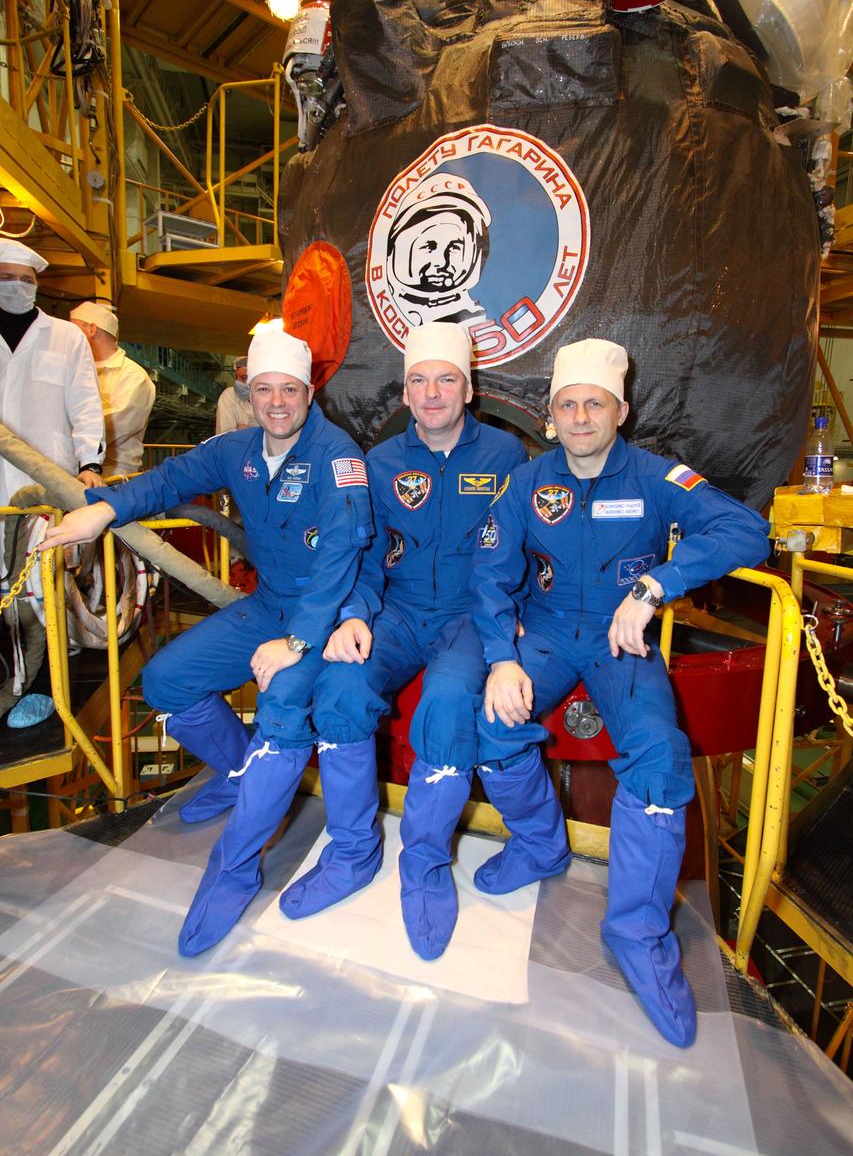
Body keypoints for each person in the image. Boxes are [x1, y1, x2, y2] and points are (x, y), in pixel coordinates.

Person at [470, 338, 770, 1047]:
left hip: (620, 639)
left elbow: (747, 531)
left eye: (595, 404)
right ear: (550, 416)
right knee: (492, 725)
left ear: (621, 412)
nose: (580, 417)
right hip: (546, 632)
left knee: (659, 757)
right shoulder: (526, 483)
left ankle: (636, 930)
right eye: (567, 405)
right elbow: (489, 574)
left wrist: (656, 585)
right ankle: (539, 846)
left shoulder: (658, 477)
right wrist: (500, 659)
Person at [39, 321, 373, 956]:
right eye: (264, 389)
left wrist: (299, 642)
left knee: (283, 711)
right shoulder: (237, 449)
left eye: (291, 390)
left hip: (325, 615)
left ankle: (236, 870)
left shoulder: (338, 457)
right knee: (166, 680)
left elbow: (341, 555)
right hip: (270, 605)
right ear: (248, 391)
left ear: (310, 393)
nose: (277, 402)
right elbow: (166, 480)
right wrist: (101, 511)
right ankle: (239, 769)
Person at [296, 324, 526, 959]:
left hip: (469, 616)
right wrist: (354, 615)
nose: (432, 393)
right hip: (396, 611)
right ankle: (351, 853)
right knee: (340, 686)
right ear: (404, 392)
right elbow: (367, 554)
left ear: (469, 389)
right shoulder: (381, 463)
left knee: (449, 704)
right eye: (419, 381)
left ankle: (423, 866)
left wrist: (514, 614)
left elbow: (520, 544)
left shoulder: (506, 455)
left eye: (446, 379)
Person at [0, 240, 105, 509]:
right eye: (7, 277)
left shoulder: (66, 336)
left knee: (46, 534)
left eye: (26, 279)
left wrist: (90, 464)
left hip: (50, 469)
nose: (18, 285)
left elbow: (86, 404)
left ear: (36, 285)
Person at [387, 176, 490, 327]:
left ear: (473, 254)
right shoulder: (374, 324)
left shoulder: (478, 326)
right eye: (429, 247)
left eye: (454, 247)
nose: (441, 262)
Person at [70, 302, 155, 477]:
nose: (67, 336)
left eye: (73, 329)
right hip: (74, 469)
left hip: (113, 475)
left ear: (92, 329)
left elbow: (115, 427)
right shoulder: (78, 370)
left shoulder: (133, 376)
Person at [215, 356, 254, 433]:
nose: (238, 382)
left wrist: (245, 430)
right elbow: (226, 434)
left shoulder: (268, 398)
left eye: (244, 378)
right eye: (236, 378)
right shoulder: (229, 396)